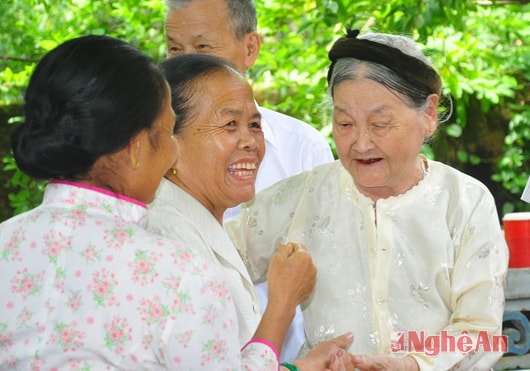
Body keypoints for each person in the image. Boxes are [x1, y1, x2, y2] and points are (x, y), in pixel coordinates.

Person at [0, 35, 314, 370]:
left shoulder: (6, 242)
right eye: (166, 134)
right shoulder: (177, 272)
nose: (172, 152)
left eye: (254, 125)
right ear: (137, 148)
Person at [227, 29, 509, 370]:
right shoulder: (298, 198)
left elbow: (481, 329)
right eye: (344, 124)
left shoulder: (465, 202)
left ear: (429, 113)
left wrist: (413, 364)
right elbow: (213, 266)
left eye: (380, 124)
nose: (360, 143)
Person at [147, 53, 354, 371]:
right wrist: (283, 302)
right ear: (170, 144)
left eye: (254, 125)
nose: (251, 142)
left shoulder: (195, 221)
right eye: (230, 124)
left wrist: (302, 366)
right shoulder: (165, 239)